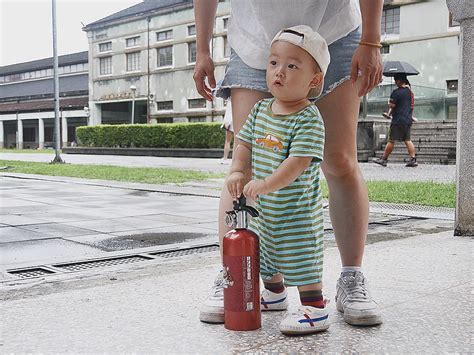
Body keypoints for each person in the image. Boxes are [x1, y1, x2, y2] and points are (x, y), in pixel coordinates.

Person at [194, 0, 384, 328]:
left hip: (332, 33)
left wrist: (371, 39)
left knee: (339, 159)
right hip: (255, 41)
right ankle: (237, 278)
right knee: (244, 167)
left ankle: (351, 278)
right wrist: (202, 49)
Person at [225, 25, 329, 335]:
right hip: (265, 209)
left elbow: (297, 163)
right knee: (265, 254)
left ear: (314, 79)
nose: (278, 72)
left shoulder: (308, 117)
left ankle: (315, 308)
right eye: (273, 63)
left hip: (296, 212)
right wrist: (237, 171)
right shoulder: (259, 110)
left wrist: (267, 183)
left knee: (301, 256)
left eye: (292, 65)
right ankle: (274, 293)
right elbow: (244, 144)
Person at [374, 73, 418, 167]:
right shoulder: (410, 92)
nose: (395, 82)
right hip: (407, 120)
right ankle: (413, 159)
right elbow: (409, 106)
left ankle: (384, 159)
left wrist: (389, 103)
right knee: (407, 140)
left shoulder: (396, 92)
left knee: (391, 140)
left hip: (398, 120)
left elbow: (392, 105)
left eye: (395, 80)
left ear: (398, 81)